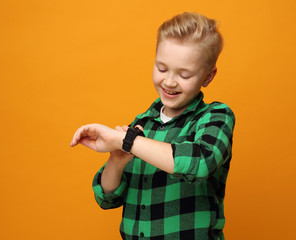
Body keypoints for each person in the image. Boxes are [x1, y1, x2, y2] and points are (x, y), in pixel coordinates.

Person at [70, 12, 235, 240]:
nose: (169, 81)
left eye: (184, 74)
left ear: (207, 76)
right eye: (162, 68)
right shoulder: (141, 125)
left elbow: (201, 163)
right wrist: (116, 162)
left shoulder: (215, 116)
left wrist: (128, 141)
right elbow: (107, 198)